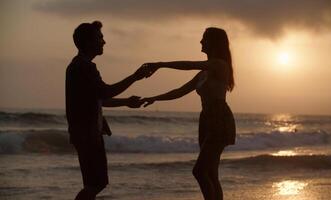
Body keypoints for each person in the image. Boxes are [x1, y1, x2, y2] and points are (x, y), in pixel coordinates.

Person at [140, 27, 236, 200]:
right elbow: (180, 91)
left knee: (199, 171)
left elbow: (188, 65)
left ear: (213, 42)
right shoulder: (203, 73)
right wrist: (155, 98)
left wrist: (161, 64)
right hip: (207, 119)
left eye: (204, 39)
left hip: (219, 117)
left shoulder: (219, 65)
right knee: (211, 173)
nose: (200, 42)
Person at [65, 21, 150, 200]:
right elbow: (105, 92)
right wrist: (134, 77)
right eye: (100, 38)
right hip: (87, 134)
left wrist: (126, 102)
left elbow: (99, 98)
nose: (104, 42)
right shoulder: (84, 67)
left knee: (94, 183)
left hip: (87, 133)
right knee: (95, 183)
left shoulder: (79, 65)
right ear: (88, 42)